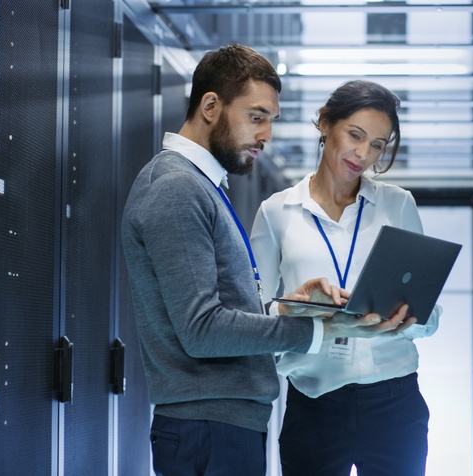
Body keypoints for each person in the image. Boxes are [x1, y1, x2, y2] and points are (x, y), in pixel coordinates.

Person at [120, 46, 416, 476]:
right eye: (256, 117)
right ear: (210, 106)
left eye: (271, 120)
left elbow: (230, 311)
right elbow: (201, 330)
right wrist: (318, 328)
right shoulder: (177, 189)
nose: (266, 135)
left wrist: (289, 307)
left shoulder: (201, 186)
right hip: (210, 424)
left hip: (222, 422)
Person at [250, 79, 442, 476]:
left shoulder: (397, 204)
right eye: (355, 135)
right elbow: (254, 318)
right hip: (313, 403)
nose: (363, 154)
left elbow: (429, 310)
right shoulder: (276, 212)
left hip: (394, 402)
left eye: (377, 144)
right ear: (325, 123)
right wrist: (295, 309)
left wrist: (408, 319)